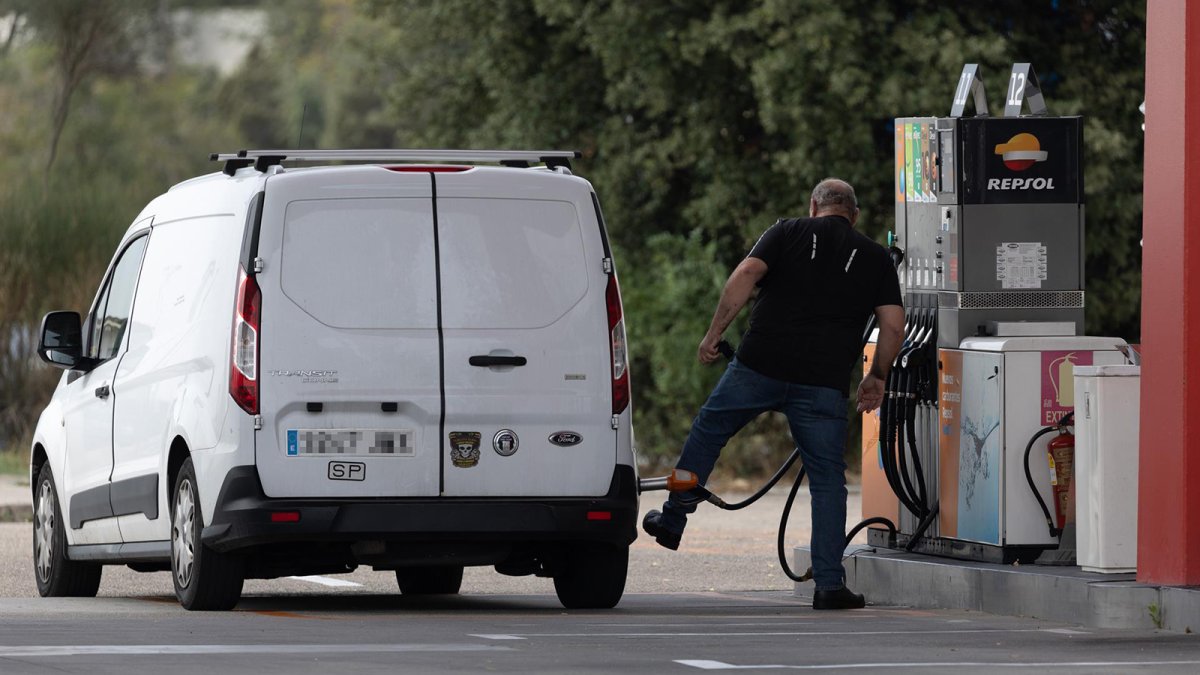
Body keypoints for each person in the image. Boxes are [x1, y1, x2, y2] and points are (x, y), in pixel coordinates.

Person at [642, 178, 905, 610]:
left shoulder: (787, 231)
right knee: (826, 480)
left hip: (759, 365)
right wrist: (876, 377)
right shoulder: (876, 257)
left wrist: (714, 334)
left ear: (814, 206)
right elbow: (893, 325)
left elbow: (746, 273)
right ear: (854, 215)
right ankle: (828, 584)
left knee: (710, 429)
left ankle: (672, 522)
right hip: (823, 382)